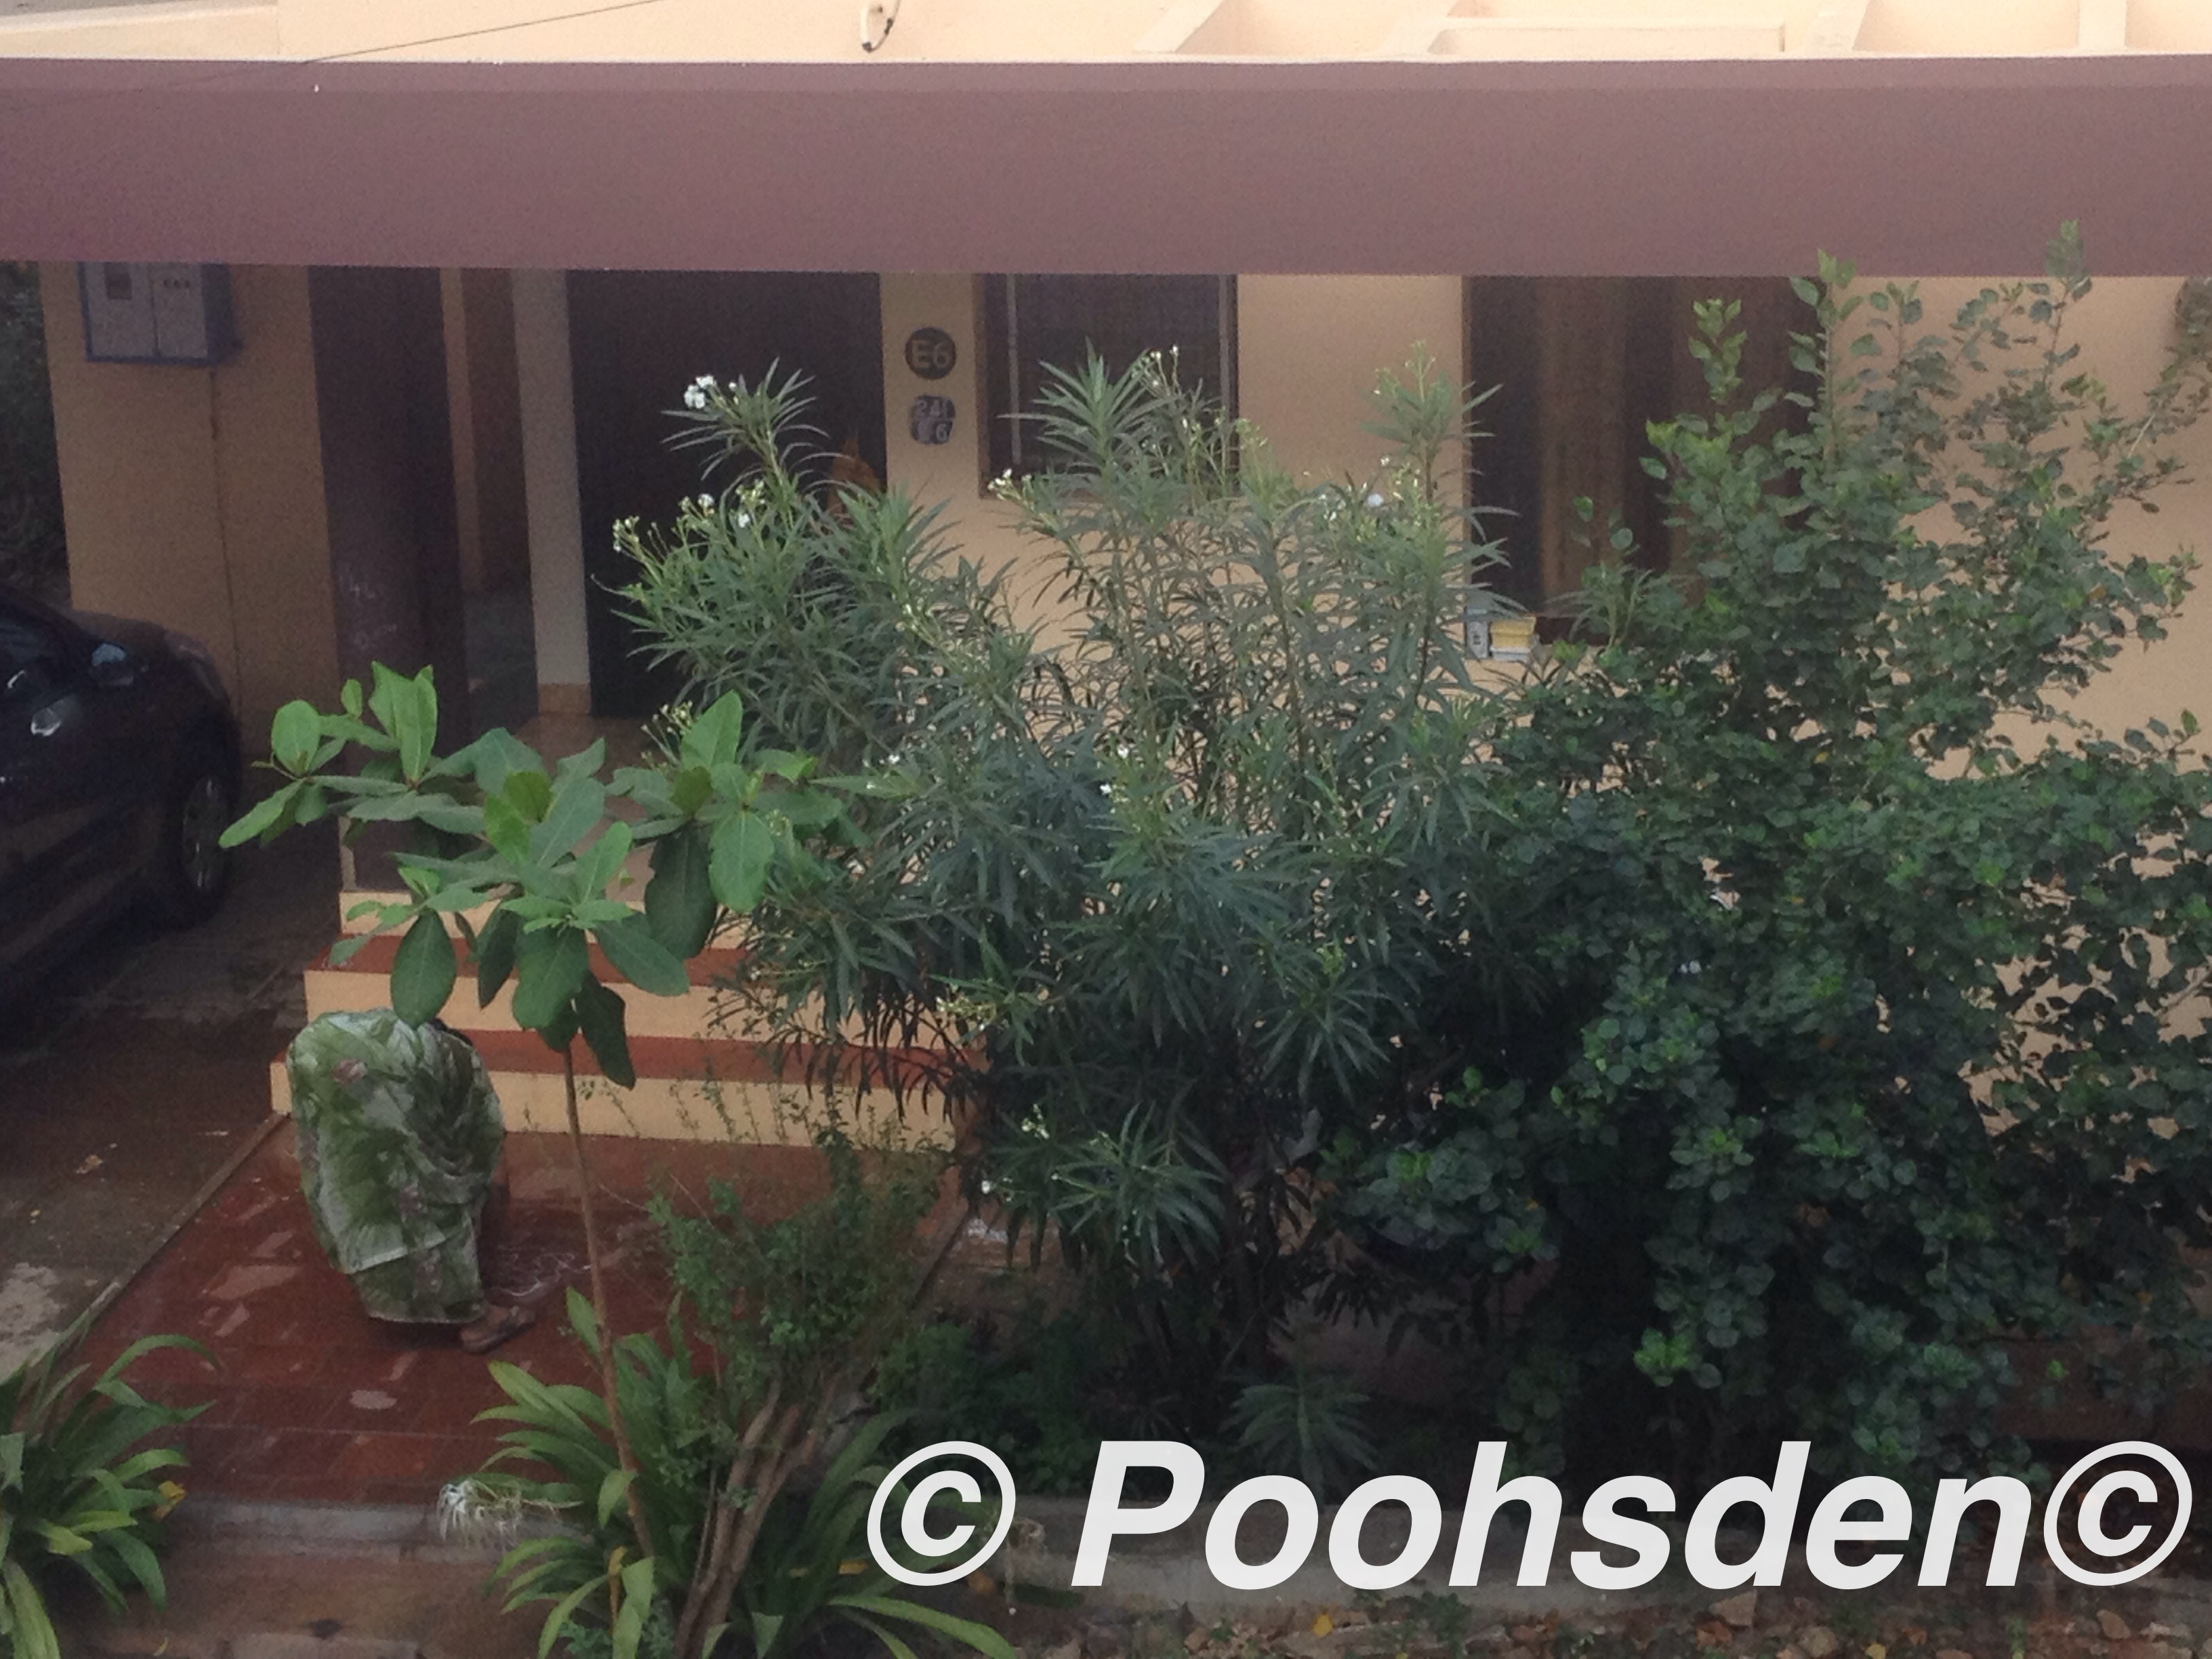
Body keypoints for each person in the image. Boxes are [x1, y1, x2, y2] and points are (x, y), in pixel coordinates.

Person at [285, 1008, 535, 1353]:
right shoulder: (468, 1072)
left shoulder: (399, 1029)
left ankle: (372, 1276)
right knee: (427, 1185)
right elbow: (495, 1179)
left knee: (347, 1170)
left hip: (312, 1049)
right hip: (387, 1063)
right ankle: (477, 1322)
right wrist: (481, 1261)